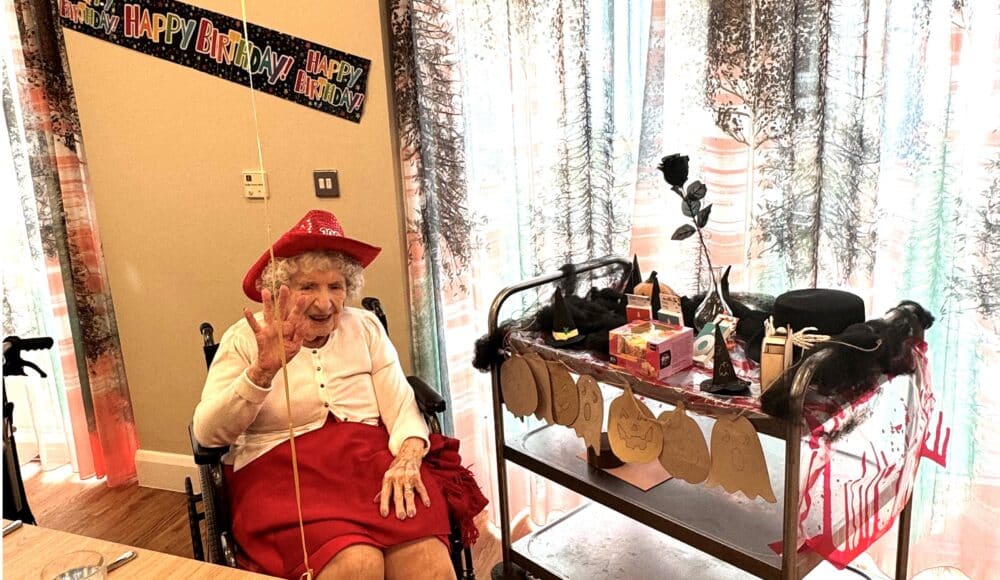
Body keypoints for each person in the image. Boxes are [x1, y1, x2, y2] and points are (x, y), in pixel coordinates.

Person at [193, 210, 485, 580]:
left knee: (428, 563)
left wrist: (409, 455)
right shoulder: (246, 338)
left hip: (371, 466)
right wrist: (261, 372)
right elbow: (206, 434)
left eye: (336, 286)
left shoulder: (364, 327)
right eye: (308, 287)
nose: (325, 302)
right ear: (281, 291)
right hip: (282, 473)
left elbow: (399, 405)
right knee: (356, 564)